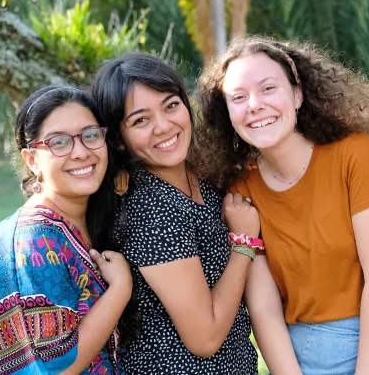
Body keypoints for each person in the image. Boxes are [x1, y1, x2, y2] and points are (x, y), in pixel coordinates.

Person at [196, 37, 369, 375]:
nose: (254, 105)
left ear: (297, 94)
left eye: (268, 88)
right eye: (238, 98)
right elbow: (264, 307)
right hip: (297, 360)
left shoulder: (354, 155)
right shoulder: (241, 188)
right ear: (227, 114)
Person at [91, 53, 259, 374]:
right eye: (140, 120)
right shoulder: (150, 208)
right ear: (119, 140)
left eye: (170, 105)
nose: (164, 126)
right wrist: (244, 243)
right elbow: (204, 337)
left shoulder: (200, 175)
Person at [0, 85, 131, 374]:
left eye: (90, 135)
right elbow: (57, 369)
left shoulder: (89, 219)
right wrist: (120, 289)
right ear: (32, 160)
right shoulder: (33, 240)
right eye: (59, 142)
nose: (81, 152)